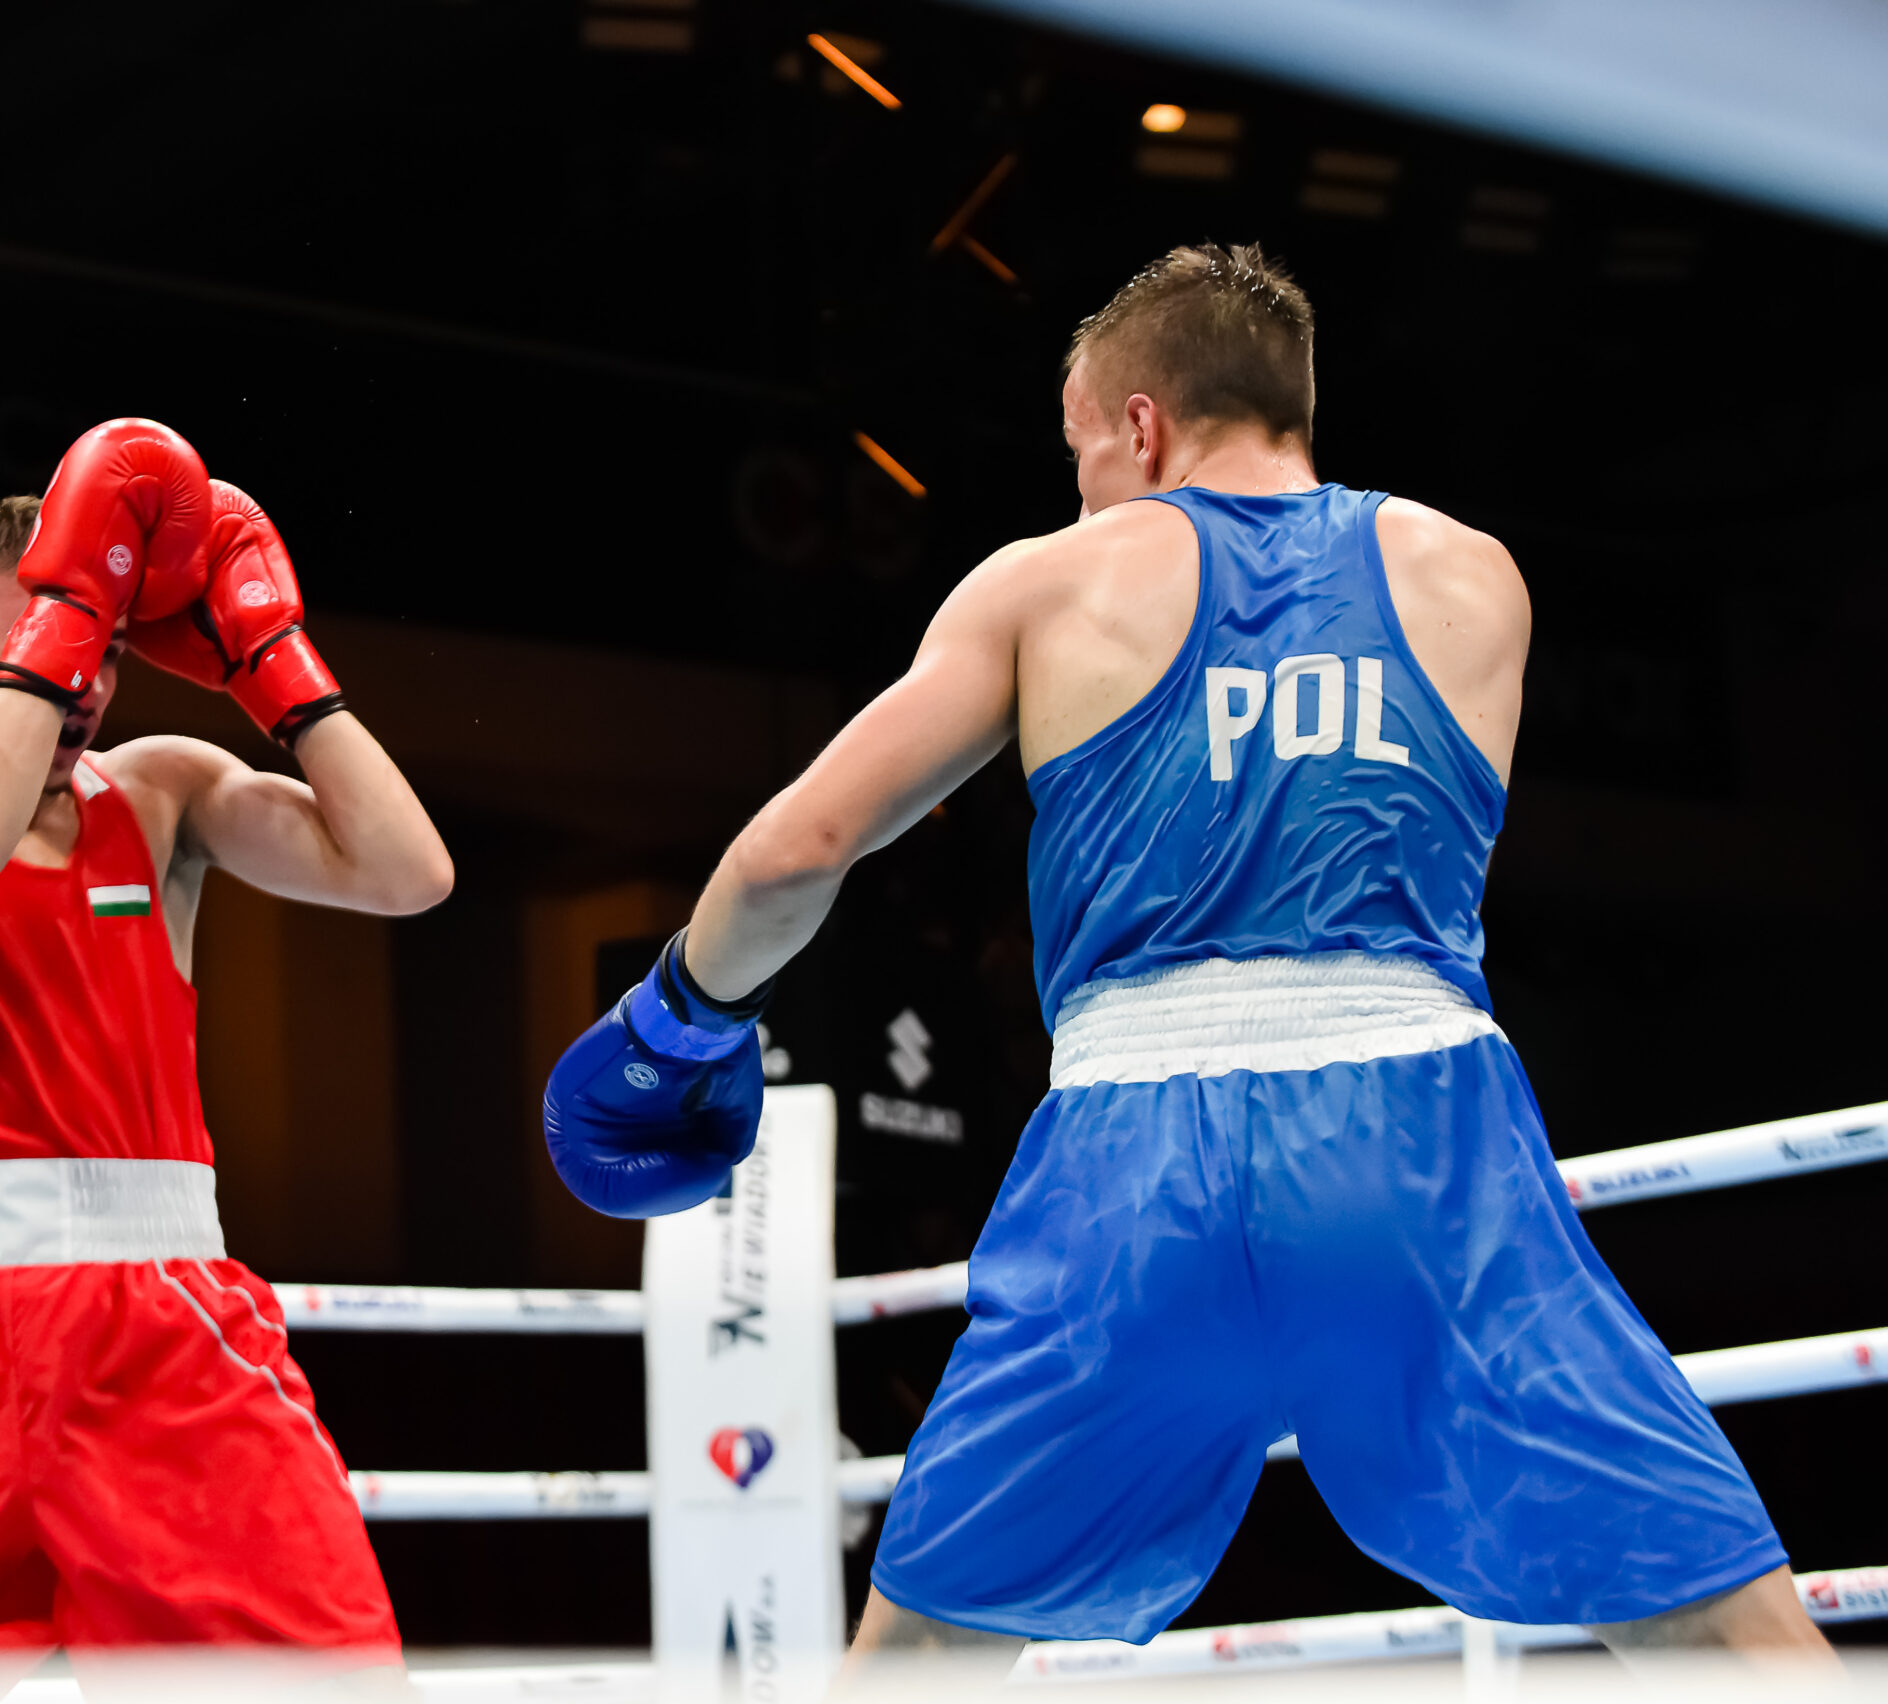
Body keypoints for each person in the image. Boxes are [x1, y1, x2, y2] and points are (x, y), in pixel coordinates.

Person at [543, 246, 1832, 1672]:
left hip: (1130, 1168)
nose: (1082, 494)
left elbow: (802, 849)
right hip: (1413, 1140)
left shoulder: (1049, 584)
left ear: (1141, 424)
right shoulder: (1473, 575)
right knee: (1725, 1624)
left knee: (918, 1663)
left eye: (1082, 454)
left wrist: (681, 1018)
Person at [0, 418, 450, 1677]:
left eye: (107, 650)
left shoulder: (157, 792)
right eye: (53, 637)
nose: (83, 680)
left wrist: (278, 669)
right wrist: (68, 618)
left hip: (162, 1325)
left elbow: (409, 874)